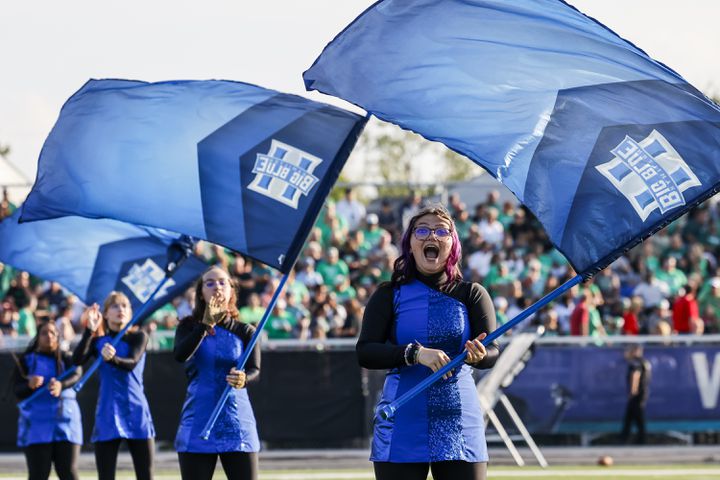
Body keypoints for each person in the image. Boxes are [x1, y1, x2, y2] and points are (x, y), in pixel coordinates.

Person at [357, 204, 500, 480]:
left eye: (441, 230)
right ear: (409, 243)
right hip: (402, 416)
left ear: (452, 243)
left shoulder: (472, 293)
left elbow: (492, 351)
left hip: (459, 418)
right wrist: (414, 354)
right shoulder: (389, 294)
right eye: (421, 230)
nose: (431, 236)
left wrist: (479, 355)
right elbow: (365, 352)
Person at [173, 266, 261, 480]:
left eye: (222, 282)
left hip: (236, 420)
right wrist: (205, 325)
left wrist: (243, 378)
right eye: (209, 283)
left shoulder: (245, 330)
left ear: (231, 290)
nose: (216, 287)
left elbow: (254, 370)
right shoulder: (187, 327)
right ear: (201, 292)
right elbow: (180, 355)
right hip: (198, 418)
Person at [73, 292, 155, 480]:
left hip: (136, 409)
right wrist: (89, 331)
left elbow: (132, 362)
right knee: (105, 475)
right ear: (105, 313)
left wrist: (113, 359)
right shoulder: (98, 342)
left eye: (125, 306)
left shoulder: (138, 336)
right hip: (108, 411)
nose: (121, 310)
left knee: (145, 474)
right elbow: (76, 360)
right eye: (115, 306)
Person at [13, 321, 82, 480]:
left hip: (66, 423)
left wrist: (61, 384)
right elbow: (17, 390)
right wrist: (29, 385)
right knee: (38, 474)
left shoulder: (66, 358)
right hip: (36, 423)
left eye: (53, 333)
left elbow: (77, 374)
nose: (49, 336)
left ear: (58, 337)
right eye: (44, 333)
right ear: (37, 337)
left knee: (68, 472)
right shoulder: (26, 360)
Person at [620, 344, 651, 444]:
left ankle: (641, 439)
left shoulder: (635, 362)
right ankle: (626, 438)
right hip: (643, 392)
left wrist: (633, 390)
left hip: (637, 393)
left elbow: (635, 375)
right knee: (630, 416)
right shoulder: (644, 362)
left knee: (638, 416)